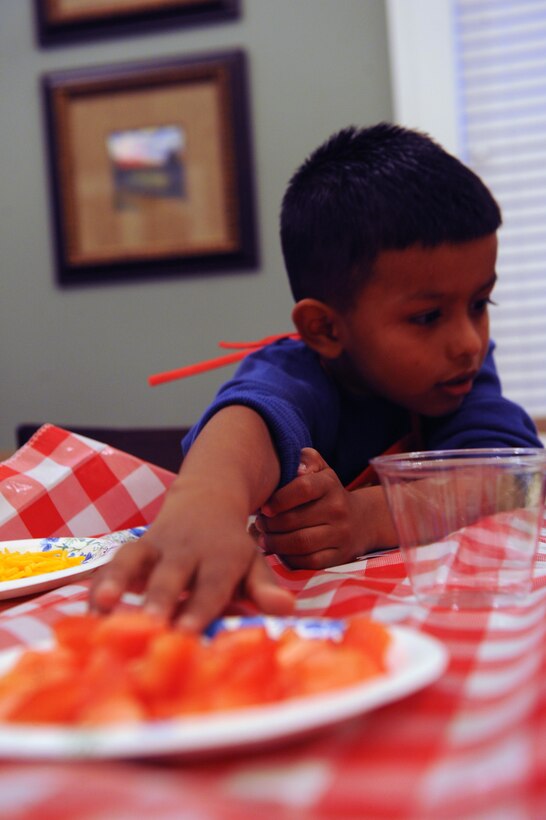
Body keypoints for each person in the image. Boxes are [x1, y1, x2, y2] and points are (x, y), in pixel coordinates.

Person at [90, 123, 542, 630]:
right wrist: (205, 503)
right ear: (324, 327)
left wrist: (367, 518)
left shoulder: (459, 372)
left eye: (480, 304)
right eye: (427, 317)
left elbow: (508, 479)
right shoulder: (297, 371)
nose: (469, 341)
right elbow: (248, 420)